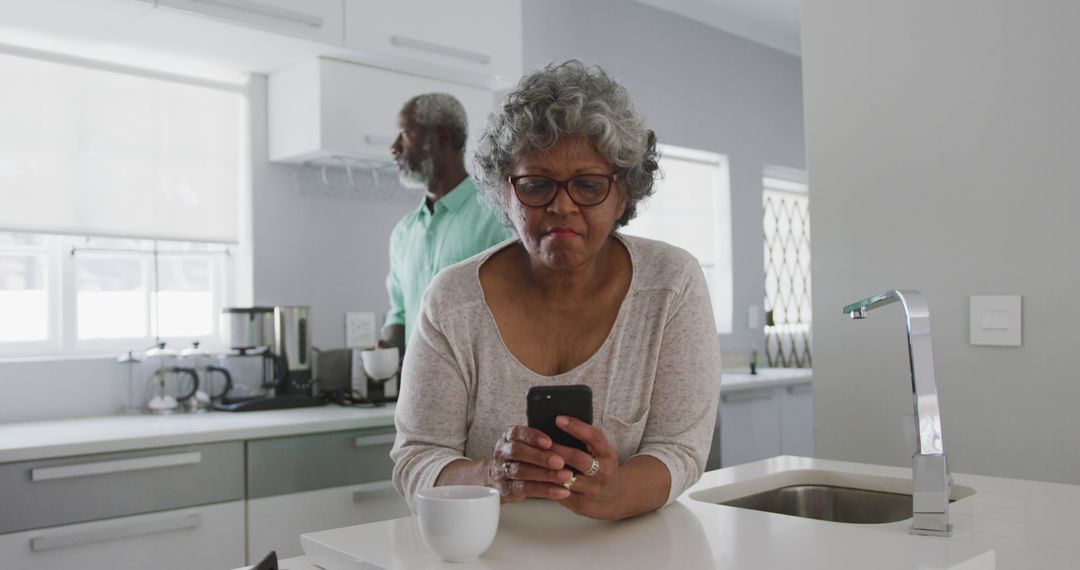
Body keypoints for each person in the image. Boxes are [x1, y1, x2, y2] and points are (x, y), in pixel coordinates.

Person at [391, 61, 721, 521]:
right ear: (504, 194)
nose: (561, 205)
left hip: (627, 549)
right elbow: (417, 459)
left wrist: (618, 491)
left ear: (623, 193)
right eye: (536, 184)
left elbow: (680, 448)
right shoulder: (452, 301)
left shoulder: (671, 284)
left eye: (588, 185)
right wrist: (491, 475)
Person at [380, 93, 511, 352]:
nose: (394, 147)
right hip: (419, 388)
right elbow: (399, 313)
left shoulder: (498, 216)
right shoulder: (403, 233)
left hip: (480, 386)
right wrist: (386, 346)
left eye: (404, 134)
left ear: (440, 138)